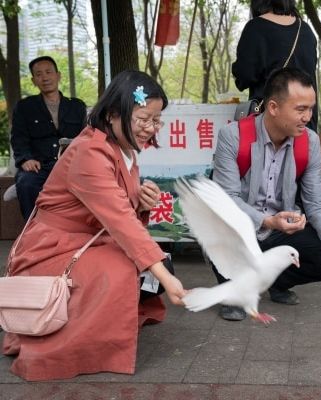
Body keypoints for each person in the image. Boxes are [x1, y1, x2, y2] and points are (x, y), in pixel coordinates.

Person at [2, 70, 188, 381]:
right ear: (114, 114)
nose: (150, 128)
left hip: (84, 239)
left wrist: (140, 201)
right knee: (122, 269)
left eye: (156, 120)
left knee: (150, 264)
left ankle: (103, 331)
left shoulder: (121, 147)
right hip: (52, 247)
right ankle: (71, 346)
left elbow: (117, 210)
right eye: (144, 118)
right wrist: (166, 279)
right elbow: (118, 218)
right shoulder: (89, 150)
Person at [212, 67, 321, 321]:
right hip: (237, 231)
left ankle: (273, 282)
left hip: (280, 232)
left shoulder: (309, 142)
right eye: (300, 109)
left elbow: (316, 204)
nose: (307, 117)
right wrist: (266, 220)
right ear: (273, 107)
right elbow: (226, 198)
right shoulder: (233, 136)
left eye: (310, 109)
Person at [10, 55, 87, 221]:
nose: (44, 77)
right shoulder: (25, 107)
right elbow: (18, 138)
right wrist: (25, 159)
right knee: (26, 183)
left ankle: (80, 233)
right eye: (39, 74)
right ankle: (33, 232)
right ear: (33, 80)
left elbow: (86, 138)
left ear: (58, 75)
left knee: (92, 183)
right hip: (39, 166)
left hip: (71, 165)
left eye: (48, 72)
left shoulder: (77, 106)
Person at [231, 0, 319, 131]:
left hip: (271, 126)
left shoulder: (256, 28)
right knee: (302, 151)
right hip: (305, 124)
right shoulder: (306, 30)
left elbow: (245, 76)